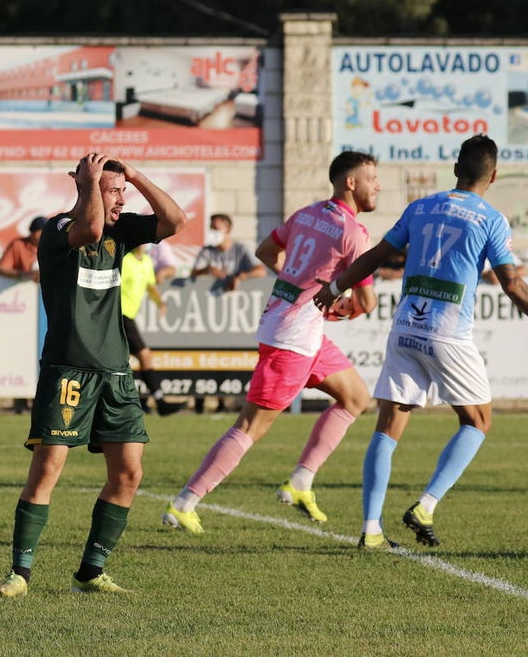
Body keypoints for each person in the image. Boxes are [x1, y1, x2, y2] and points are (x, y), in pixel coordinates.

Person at [313, 134, 528, 549]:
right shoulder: (491, 219)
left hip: (406, 325)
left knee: (388, 427)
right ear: (493, 176)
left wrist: (335, 287)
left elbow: (373, 257)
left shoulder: (420, 207)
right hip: (447, 332)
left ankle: (371, 529)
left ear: (457, 168)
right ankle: (425, 506)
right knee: (477, 421)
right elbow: (512, 283)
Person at [0, 152, 187, 597]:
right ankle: (20, 574)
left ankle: (90, 572)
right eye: (112, 191)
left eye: (121, 192)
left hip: (116, 372)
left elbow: (175, 220)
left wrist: (135, 175)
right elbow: (91, 228)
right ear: (83, 186)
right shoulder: (58, 229)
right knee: (47, 469)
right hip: (68, 370)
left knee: (129, 474)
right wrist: (91, 185)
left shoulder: (122, 230)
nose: (119, 200)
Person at [162, 151, 381, 534]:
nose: (377, 185)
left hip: (299, 328)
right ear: (350, 182)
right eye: (372, 178)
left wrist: (302, 289)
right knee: (251, 426)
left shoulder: (307, 214)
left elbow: (266, 251)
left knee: (356, 398)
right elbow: (367, 302)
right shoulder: (354, 234)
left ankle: (300, 483)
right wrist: (342, 306)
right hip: (293, 338)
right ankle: (185, 503)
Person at [190, 213, 268, 413]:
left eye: (216, 228)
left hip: (234, 315)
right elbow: (192, 274)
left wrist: (241, 277)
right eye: (211, 227)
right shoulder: (208, 251)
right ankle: (200, 400)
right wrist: (206, 270)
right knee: (204, 355)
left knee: (227, 355)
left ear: (227, 229)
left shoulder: (240, 249)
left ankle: (222, 400)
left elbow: (261, 271)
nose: (213, 232)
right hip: (208, 314)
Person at [121, 244, 187, 417]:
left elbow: (150, 285)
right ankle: (159, 402)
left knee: (122, 359)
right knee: (144, 355)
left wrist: (161, 303)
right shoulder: (124, 260)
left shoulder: (147, 262)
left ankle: (151, 402)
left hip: (129, 316)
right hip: (119, 314)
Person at [0, 216, 47, 414]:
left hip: (48, 310)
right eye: (36, 232)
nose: (38, 236)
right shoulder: (19, 246)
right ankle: (21, 399)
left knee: (45, 354)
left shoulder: (54, 245)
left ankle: (40, 399)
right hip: (22, 311)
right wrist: (22, 276)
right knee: (21, 351)